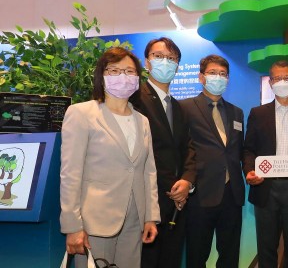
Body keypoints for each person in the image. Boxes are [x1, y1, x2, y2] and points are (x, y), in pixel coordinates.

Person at [60, 47, 160, 268]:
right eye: (114, 70)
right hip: (94, 221)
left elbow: (148, 171)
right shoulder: (81, 113)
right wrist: (72, 226)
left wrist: (150, 216)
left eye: (129, 71)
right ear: (101, 76)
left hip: (134, 220)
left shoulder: (142, 120)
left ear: (137, 77)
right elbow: (70, 174)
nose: (122, 77)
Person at [243, 60, 288, 268]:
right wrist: (250, 171)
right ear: (270, 83)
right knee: (266, 250)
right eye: (276, 78)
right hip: (265, 187)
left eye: (286, 78)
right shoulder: (258, 114)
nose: (281, 82)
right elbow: (249, 149)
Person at [130, 37, 193, 268]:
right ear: (147, 62)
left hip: (177, 204)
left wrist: (187, 182)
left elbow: (189, 149)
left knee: (171, 260)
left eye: (171, 58)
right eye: (158, 56)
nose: (165, 62)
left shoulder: (179, 107)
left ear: (177, 65)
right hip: (146, 204)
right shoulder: (134, 100)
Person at [180, 55, 245, 268]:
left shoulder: (237, 112)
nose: (219, 78)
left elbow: (237, 150)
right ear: (201, 77)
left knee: (230, 256)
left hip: (232, 194)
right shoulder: (185, 108)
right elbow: (183, 149)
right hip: (200, 194)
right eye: (213, 73)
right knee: (197, 256)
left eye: (223, 74)